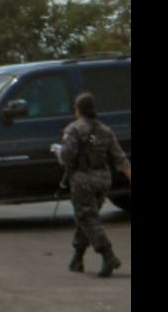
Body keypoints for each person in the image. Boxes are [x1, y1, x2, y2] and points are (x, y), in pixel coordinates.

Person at [53, 92, 131, 278]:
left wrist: (57, 151)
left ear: (78, 109)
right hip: (103, 180)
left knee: (88, 218)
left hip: (82, 180)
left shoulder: (74, 129)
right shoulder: (105, 130)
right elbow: (120, 158)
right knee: (86, 218)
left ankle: (108, 255)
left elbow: (66, 158)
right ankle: (77, 258)